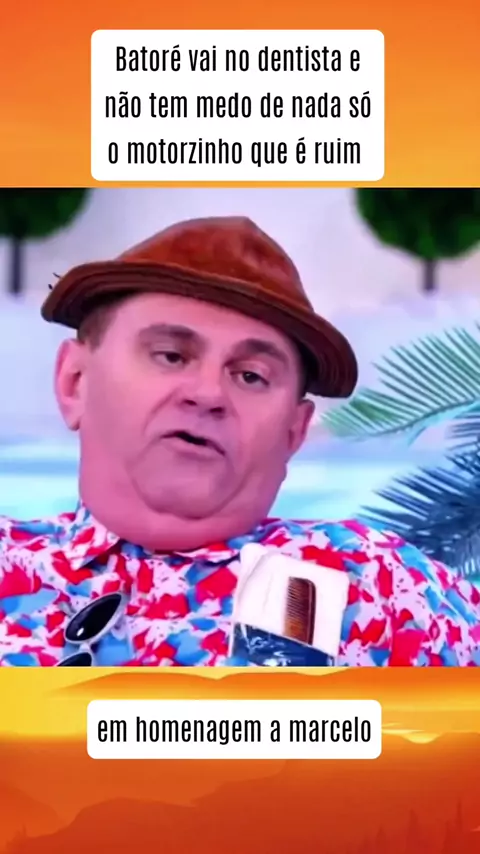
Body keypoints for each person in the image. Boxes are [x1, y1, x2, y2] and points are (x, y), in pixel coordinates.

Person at [1, 215, 479, 667]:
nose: (208, 393)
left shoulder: (379, 583)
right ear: (75, 382)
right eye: (171, 355)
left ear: (293, 433)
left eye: (251, 376)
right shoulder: (12, 560)